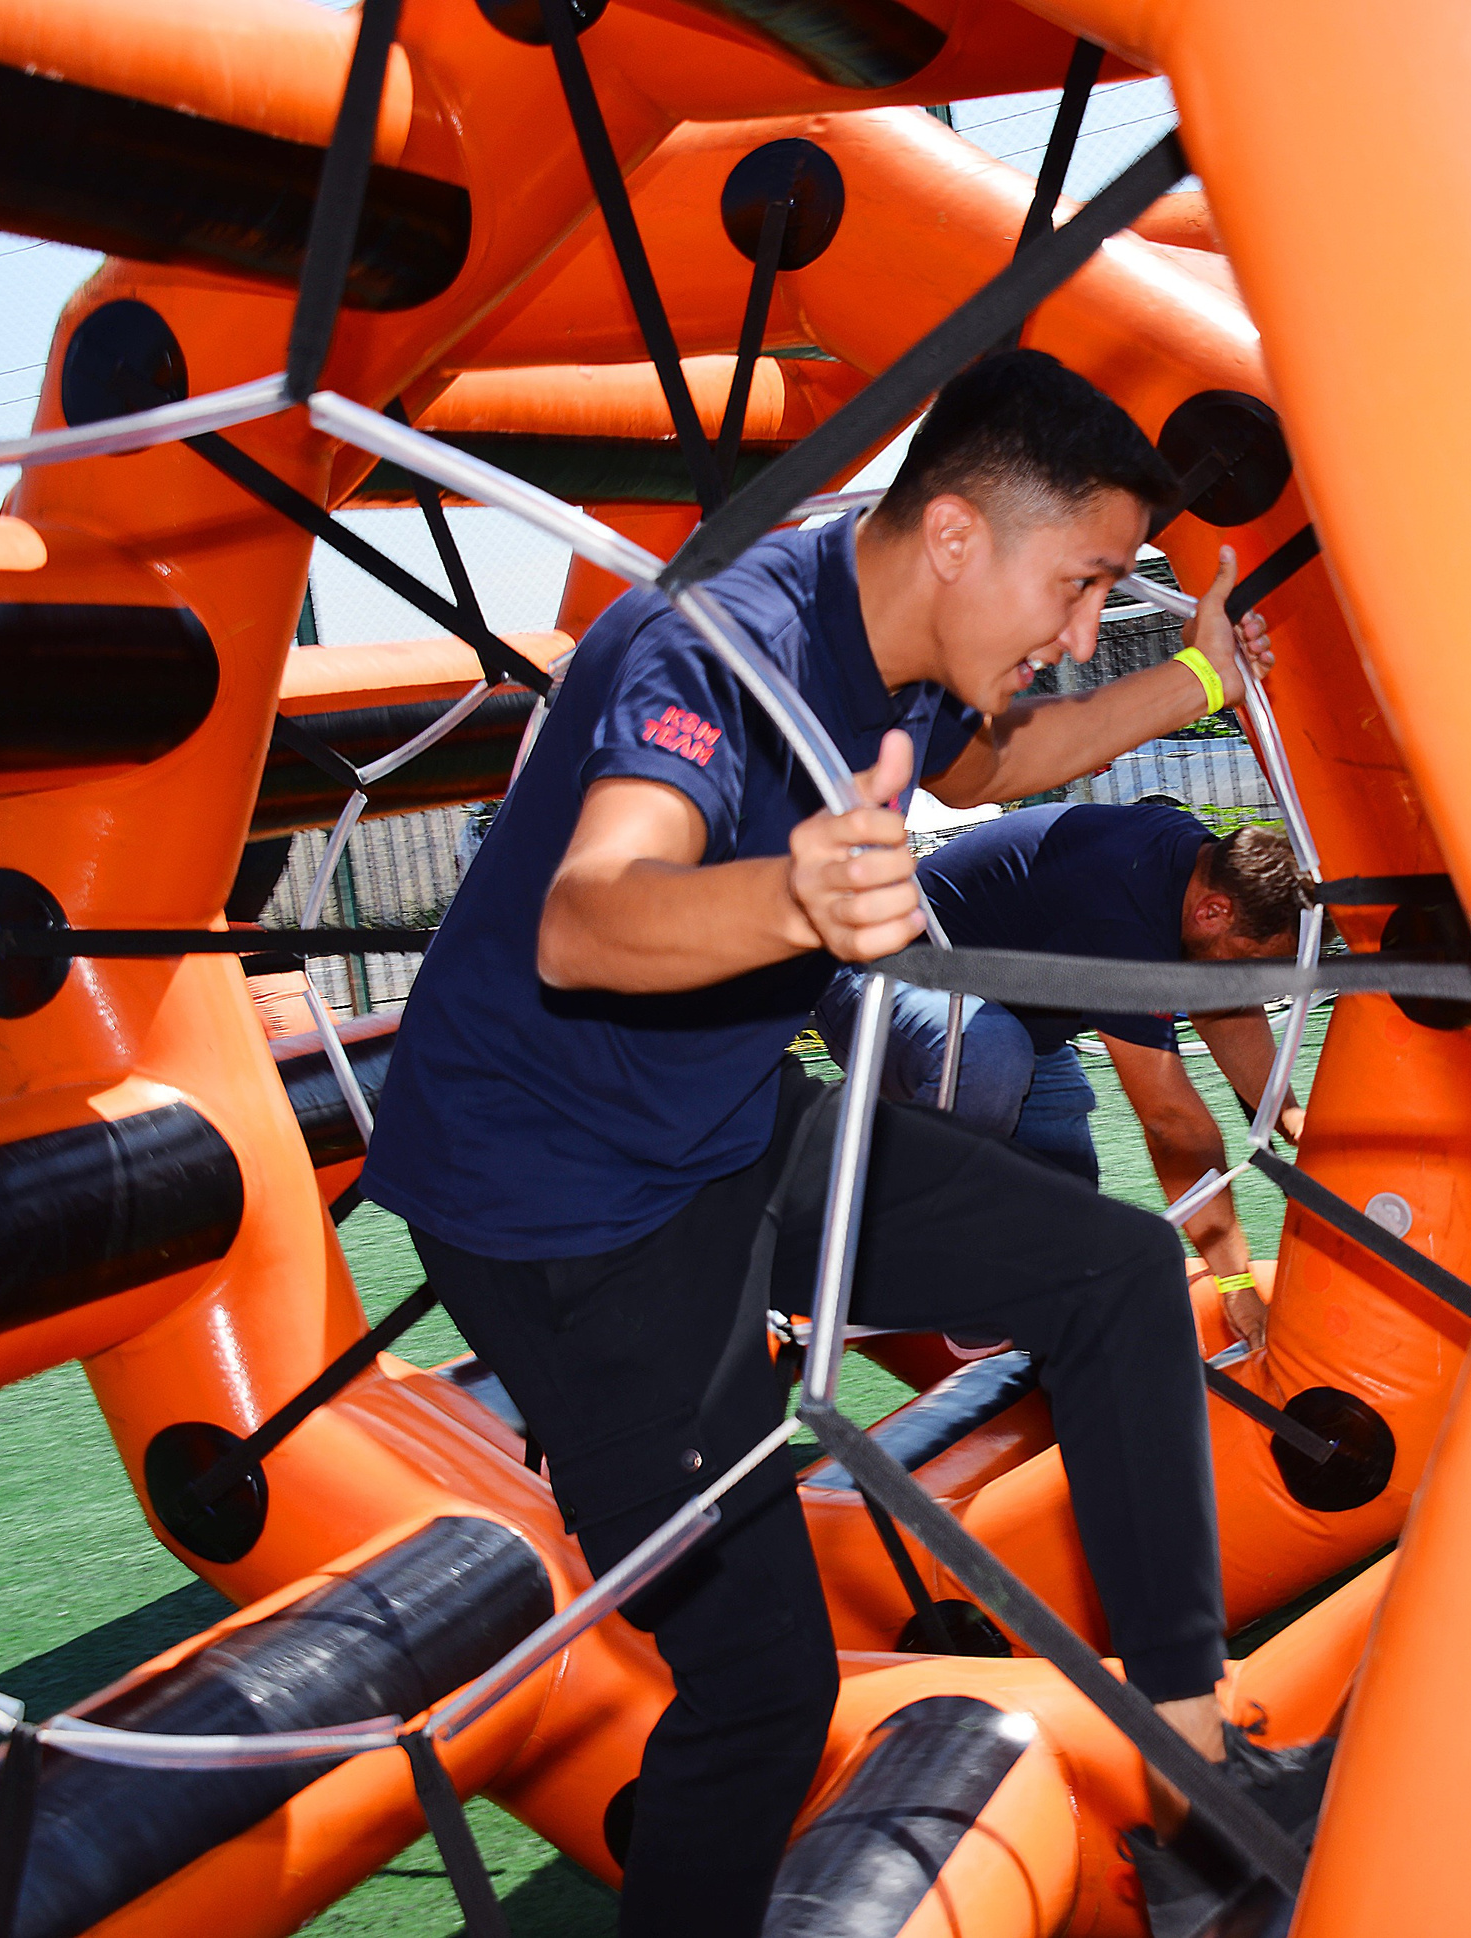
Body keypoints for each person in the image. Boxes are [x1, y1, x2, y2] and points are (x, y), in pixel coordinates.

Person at [359, 349, 1277, 1938]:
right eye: (1078, 588)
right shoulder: (714, 645)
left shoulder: (915, 661)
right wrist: (792, 895)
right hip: (560, 1212)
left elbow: (1013, 759)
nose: (1078, 633)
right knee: (762, 1688)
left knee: (1116, 1267)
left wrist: (1199, 680)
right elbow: (587, 919)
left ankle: (1191, 1776)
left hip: (713, 1125)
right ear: (955, 540)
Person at [815, 805, 1311, 1349]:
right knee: (991, 1054)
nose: (1256, 987)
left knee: (1063, 1215)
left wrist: (1292, 1119)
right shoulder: (1119, 913)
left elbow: (1227, 1007)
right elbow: (1172, 1125)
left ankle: (983, 1298)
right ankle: (896, 1241)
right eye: (1252, 964)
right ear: (1214, 912)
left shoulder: (1202, 867)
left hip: (1005, 1022)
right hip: (874, 982)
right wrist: (1235, 1282)